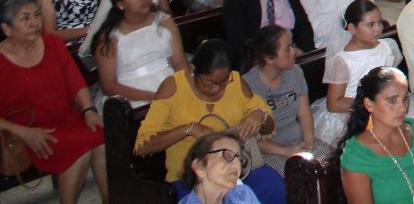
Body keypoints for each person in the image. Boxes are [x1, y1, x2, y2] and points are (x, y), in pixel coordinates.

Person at [134, 38, 285, 204]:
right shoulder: (173, 87)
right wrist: (189, 129)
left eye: (224, 81)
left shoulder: (235, 82)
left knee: (273, 186)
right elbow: (142, 147)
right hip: (193, 177)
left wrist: (260, 116)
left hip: (237, 170)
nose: (217, 88)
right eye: (209, 83)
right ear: (193, 70)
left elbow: (269, 127)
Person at [0, 0, 108, 204]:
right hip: (21, 133)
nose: (34, 23)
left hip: (66, 120)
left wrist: (89, 110)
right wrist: (24, 133)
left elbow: (76, 82)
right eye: (25, 18)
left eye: (37, 15)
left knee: (102, 137)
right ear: (6, 28)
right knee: (79, 150)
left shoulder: (53, 44)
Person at [339, 66, 414, 204]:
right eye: (392, 100)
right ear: (369, 104)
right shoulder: (357, 155)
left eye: (405, 98)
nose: (402, 108)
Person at [313, 0, 400, 149]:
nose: (378, 29)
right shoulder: (344, 61)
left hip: (383, 109)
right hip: (353, 114)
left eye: (379, 22)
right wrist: (371, 103)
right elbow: (334, 103)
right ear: (352, 28)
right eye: (370, 25)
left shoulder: (387, 46)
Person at [91, 0, 187, 108]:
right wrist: (153, 97)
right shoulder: (110, 37)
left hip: (170, 83)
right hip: (132, 95)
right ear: (120, 3)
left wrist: (183, 90)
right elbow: (109, 86)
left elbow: (180, 63)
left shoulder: (164, 22)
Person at [241, 25, 320, 174]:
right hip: (269, 150)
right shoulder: (247, 85)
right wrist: (286, 151)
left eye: (292, 46)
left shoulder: (295, 72)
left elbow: (304, 113)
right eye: (287, 49)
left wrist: (309, 141)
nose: (294, 52)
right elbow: (252, 137)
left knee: (328, 165)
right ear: (269, 58)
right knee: (294, 177)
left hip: (298, 139)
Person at [178, 130, 262, 204]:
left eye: (240, 159)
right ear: (199, 166)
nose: (237, 164)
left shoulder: (242, 194)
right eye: (227, 155)